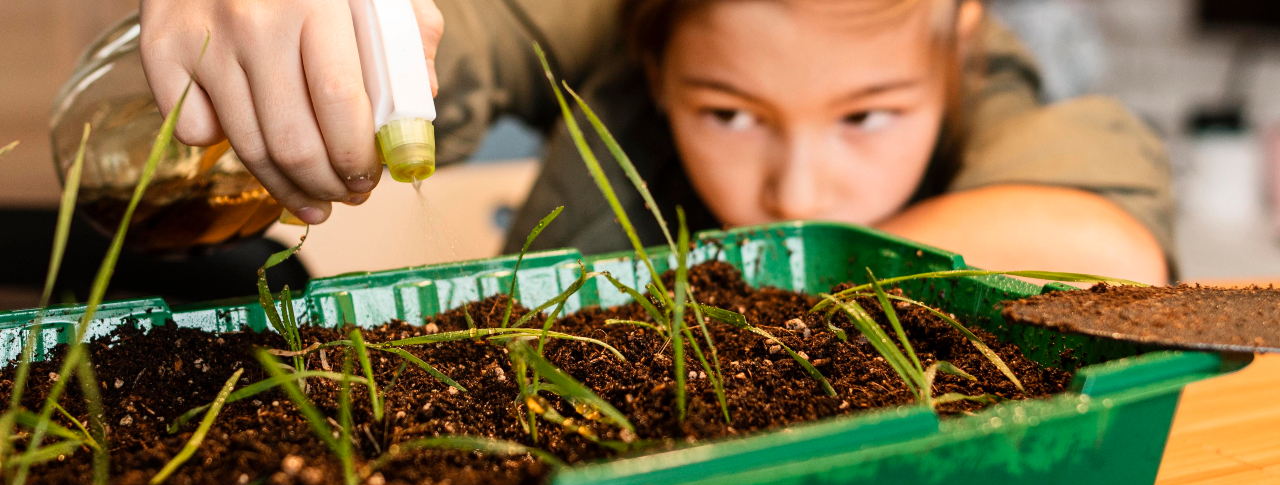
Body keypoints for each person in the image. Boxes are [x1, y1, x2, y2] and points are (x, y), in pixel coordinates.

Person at [137, 0, 1173, 284]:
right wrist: (290, 47)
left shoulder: (989, 78)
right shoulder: (602, 31)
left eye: (865, 116)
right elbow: (425, 43)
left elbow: (1102, 239)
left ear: (959, 24)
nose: (795, 189)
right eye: (726, 112)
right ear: (654, 45)